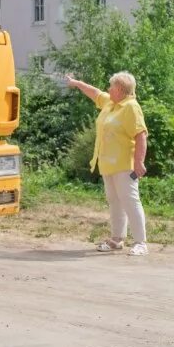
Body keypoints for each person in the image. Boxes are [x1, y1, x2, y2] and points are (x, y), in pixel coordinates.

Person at [66, 71, 150, 255]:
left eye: (111, 86)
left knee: (130, 201)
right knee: (114, 201)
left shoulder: (130, 107)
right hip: (108, 164)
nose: (108, 89)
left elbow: (141, 135)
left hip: (125, 164)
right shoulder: (111, 103)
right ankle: (117, 239)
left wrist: (139, 163)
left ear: (120, 89)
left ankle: (140, 243)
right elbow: (95, 93)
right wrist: (77, 83)